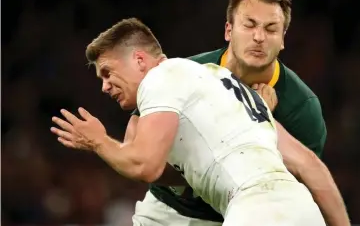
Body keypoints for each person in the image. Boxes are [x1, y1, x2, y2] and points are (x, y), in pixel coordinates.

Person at [50, 17, 326, 226]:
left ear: (139, 59)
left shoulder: (163, 78)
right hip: (292, 205)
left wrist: (99, 141)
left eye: (108, 73)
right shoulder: (209, 80)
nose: (105, 86)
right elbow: (309, 165)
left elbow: (144, 166)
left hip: (256, 206)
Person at [130, 0, 350, 226]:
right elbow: (136, 145)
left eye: (271, 29)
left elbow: (283, 190)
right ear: (228, 30)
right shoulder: (188, 71)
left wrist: (263, 125)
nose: (259, 37)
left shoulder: (302, 108)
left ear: (283, 38)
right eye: (249, 25)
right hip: (168, 211)